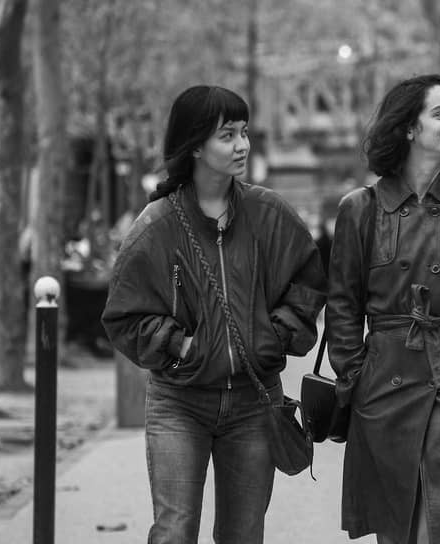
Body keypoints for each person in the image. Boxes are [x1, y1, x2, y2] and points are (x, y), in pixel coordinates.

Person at [101, 85, 326, 543]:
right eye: (228, 135)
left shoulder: (269, 214)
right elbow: (123, 315)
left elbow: (310, 282)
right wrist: (180, 345)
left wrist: (273, 336)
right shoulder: (157, 224)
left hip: (254, 402)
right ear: (195, 146)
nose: (242, 145)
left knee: (243, 534)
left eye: (244, 132)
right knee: (175, 531)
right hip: (179, 403)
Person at [326, 74, 440, 544]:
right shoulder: (360, 209)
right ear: (409, 128)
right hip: (382, 386)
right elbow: (342, 306)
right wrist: (357, 375)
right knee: (395, 528)